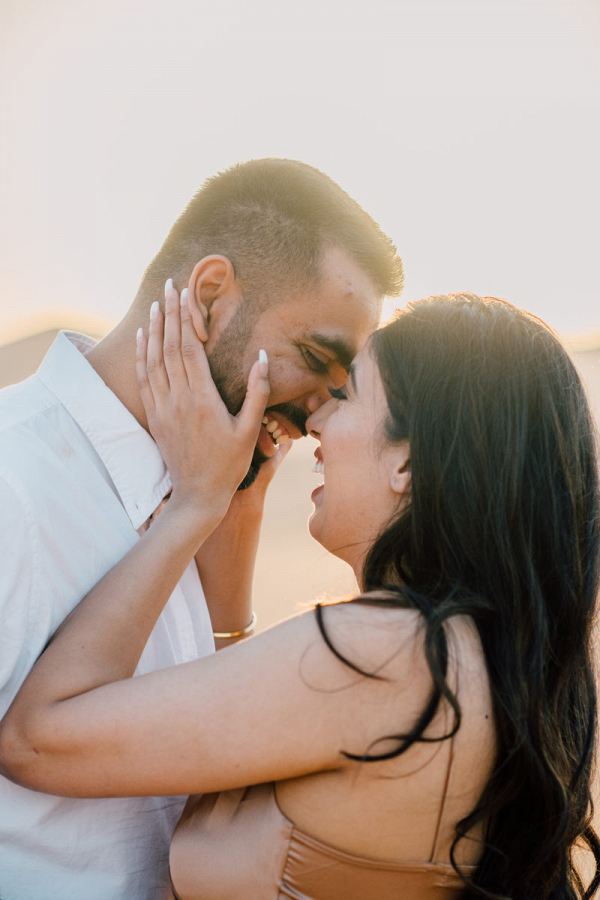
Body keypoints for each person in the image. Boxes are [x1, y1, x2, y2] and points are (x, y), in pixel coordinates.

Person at [2, 291, 598, 900]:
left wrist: (194, 505)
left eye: (346, 396)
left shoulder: (383, 654)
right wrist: (238, 514)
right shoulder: (463, 655)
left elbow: (37, 738)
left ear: (408, 462)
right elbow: (254, 717)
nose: (314, 422)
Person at [0, 158, 403, 900]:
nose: (319, 413)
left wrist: (226, 512)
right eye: (317, 359)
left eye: (341, 389)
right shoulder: (13, 482)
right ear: (210, 294)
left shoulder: (203, 486)